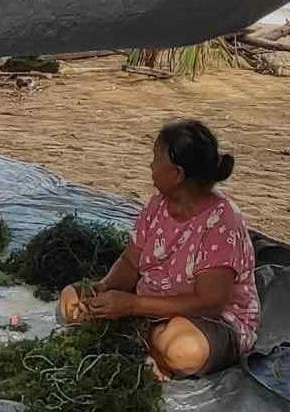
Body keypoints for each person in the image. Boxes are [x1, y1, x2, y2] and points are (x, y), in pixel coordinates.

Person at [58, 119, 259, 379]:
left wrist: (132, 306)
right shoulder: (157, 206)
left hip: (209, 320)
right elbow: (131, 262)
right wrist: (104, 288)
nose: (150, 166)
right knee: (71, 299)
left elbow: (209, 304)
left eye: (155, 158)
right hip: (147, 308)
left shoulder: (221, 221)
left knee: (181, 350)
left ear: (176, 174)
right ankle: (147, 342)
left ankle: (145, 341)